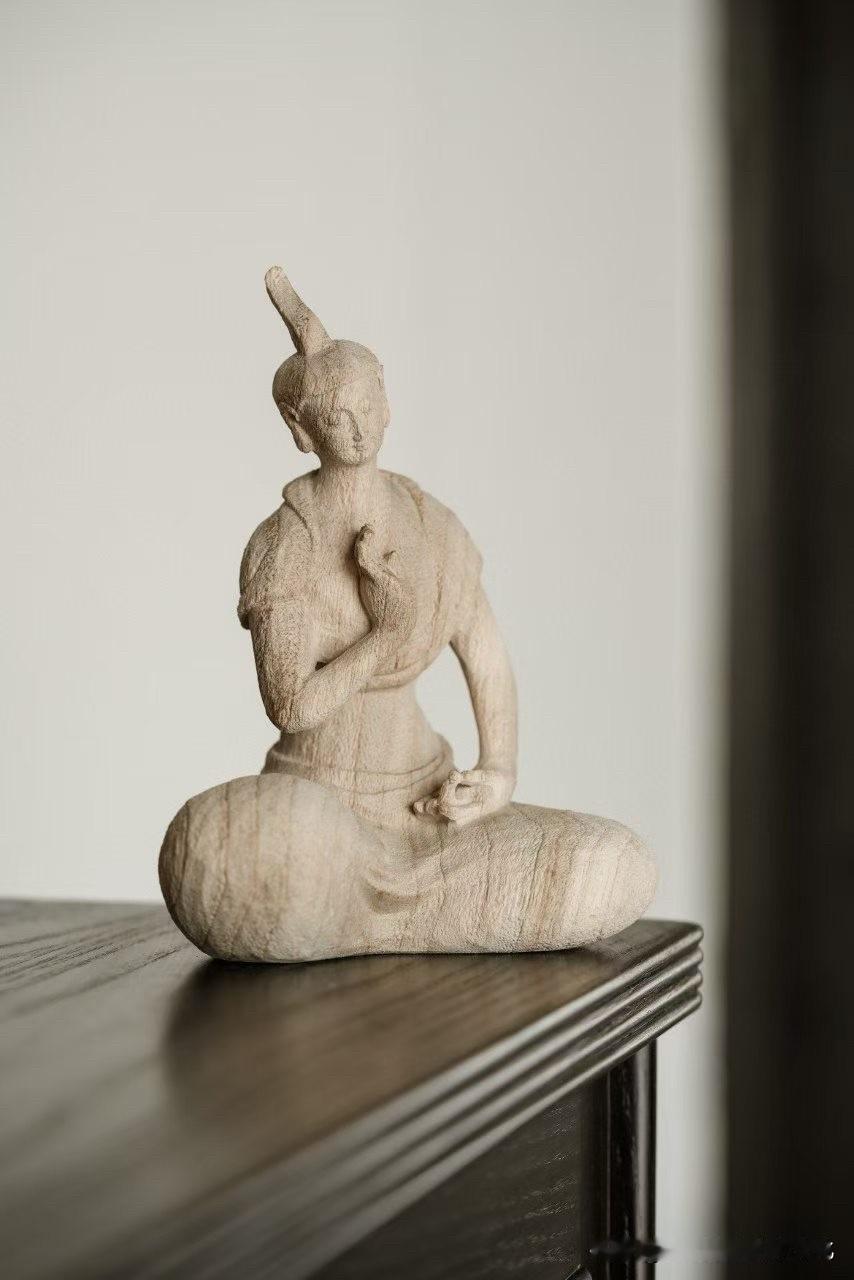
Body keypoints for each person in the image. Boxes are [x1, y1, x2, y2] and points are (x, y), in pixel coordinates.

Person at [159, 269, 656, 962]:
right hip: (322, 812)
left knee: (614, 863)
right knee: (226, 858)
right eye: (337, 416)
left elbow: (485, 652)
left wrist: (498, 773)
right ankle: (379, 912)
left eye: (369, 404)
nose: (359, 426)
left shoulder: (430, 522)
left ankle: (375, 923)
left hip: (430, 803)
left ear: (388, 402)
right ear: (300, 430)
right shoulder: (284, 547)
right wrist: (384, 635)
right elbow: (291, 706)